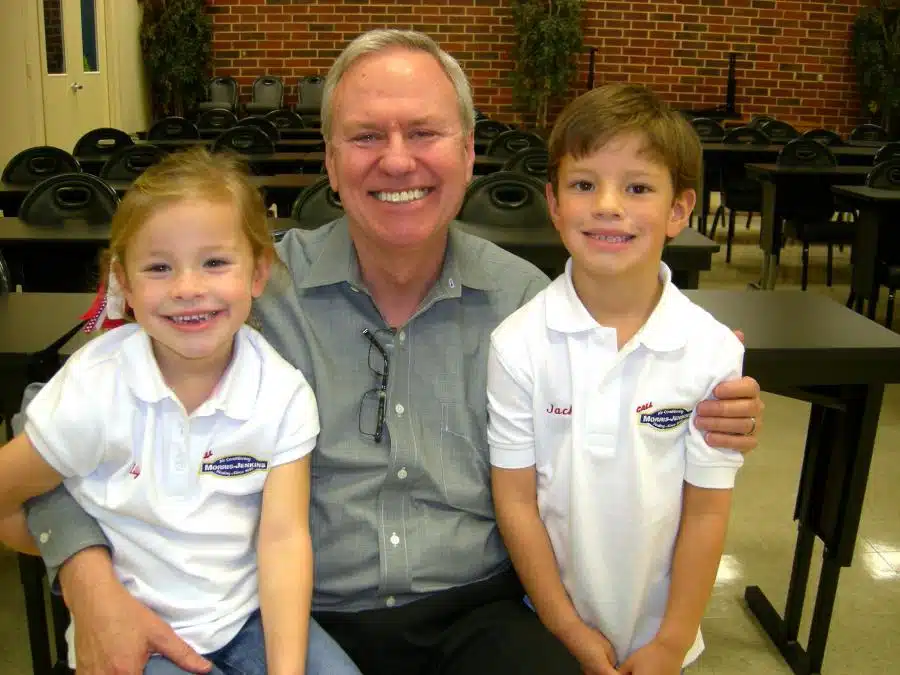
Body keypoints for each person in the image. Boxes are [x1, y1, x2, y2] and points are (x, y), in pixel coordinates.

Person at [22, 30, 764, 675]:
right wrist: (90, 581)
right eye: (368, 136)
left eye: (425, 132)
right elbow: (60, 429)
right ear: (332, 159)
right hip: (289, 613)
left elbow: (627, 402)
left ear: (470, 152)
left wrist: (711, 402)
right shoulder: (243, 293)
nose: (398, 160)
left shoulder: (528, 304)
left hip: (479, 610)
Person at [0, 149, 361, 675]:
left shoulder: (282, 393)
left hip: (246, 622)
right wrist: (77, 576)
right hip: (139, 638)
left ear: (258, 273)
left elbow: (283, 540)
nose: (188, 288)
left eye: (215, 262)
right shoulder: (94, 389)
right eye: (159, 267)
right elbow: (9, 494)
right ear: (124, 282)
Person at [488, 84, 746, 675]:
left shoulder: (711, 350)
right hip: (547, 626)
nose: (608, 204)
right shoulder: (517, 344)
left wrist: (671, 643)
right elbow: (518, 501)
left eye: (637, 187)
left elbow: (707, 512)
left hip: (667, 641)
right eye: (584, 184)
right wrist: (564, 625)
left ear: (679, 210)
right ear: (553, 204)